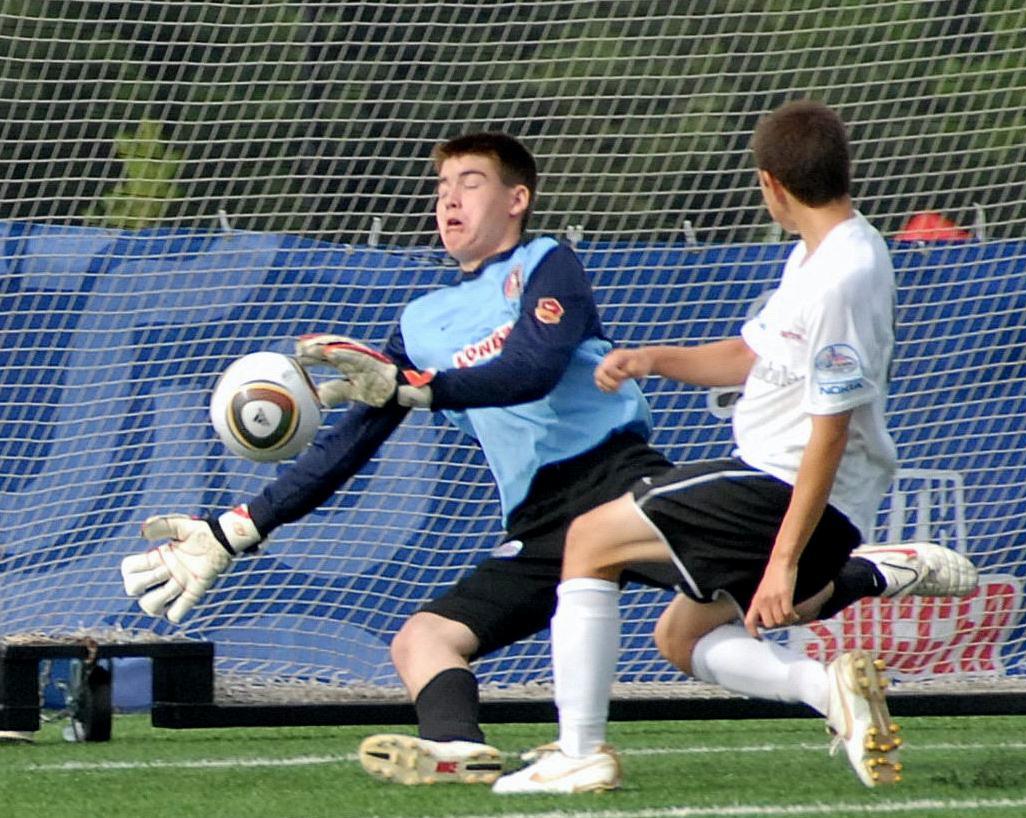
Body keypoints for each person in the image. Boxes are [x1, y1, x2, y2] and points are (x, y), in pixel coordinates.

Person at [120, 129, 972, 784]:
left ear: (518, 198)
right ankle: (457, 747)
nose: (449, 201)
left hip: (616, 476)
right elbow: (350, 443)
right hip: (535, 520)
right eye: (440, 187)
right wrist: (237, 528)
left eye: (470, 183)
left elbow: (527, 370)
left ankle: (859, 578)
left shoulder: (545, 263)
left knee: (757, 605)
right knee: (422, 641)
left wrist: (413, 390)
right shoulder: (419, 321)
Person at [494, 100, 945, 795]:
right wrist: (651, 359)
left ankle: (581, 753)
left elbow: (832, 429)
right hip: (782, 488)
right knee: (681, 640)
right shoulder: (818, 256)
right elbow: (748, 355)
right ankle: (830, 690)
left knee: (589, 539)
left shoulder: (844, 275)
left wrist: (783, 563)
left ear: (770, 184)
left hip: (780, 487)